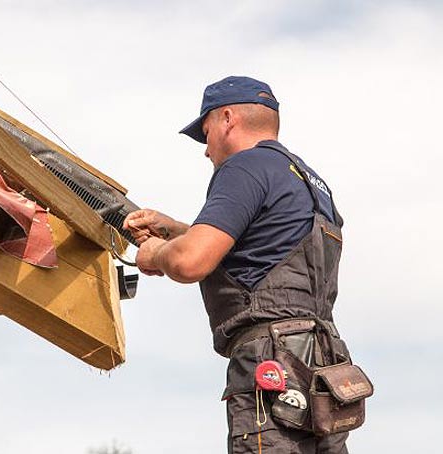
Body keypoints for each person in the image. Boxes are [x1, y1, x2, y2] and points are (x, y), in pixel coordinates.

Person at [123, 76, 352, 453]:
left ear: (228, 118)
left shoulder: (244, 168)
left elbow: (189, 261)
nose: (206, 150)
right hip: (323, 371)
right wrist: (178, 228)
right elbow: (266, 246)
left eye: (207, 131)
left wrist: (157, 253)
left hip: (272, 365)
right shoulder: (308, 181)